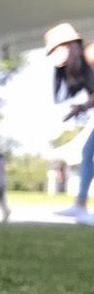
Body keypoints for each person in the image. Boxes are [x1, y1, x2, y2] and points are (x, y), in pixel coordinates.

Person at [44, 22, 94, 225]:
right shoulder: (79, 70)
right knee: (87, 153)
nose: (54, 56)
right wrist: (81, 108)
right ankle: (80, 205)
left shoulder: (91, 53)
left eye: (56, 50)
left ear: (70, 45)